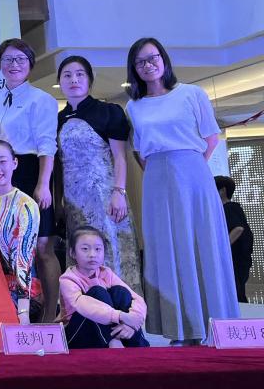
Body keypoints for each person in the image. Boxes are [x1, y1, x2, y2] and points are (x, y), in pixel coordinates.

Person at [125, 37, 239, 345]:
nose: (148, 65)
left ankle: (216, 325)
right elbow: (140, 151)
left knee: (201, 243)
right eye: (140, 62)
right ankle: (181, 329)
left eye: (153, 57)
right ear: (134, 69)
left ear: (164, 59)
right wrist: (161, 171)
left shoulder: (191, 93)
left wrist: (190, 167)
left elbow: (211, 139)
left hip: (192, 172)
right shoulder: (134, 106)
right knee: (166, 249)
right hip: (156, 179)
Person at [0, 38, 60, 323]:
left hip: (30, 170)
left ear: (30, 64)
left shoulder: (42, 99)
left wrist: (43, 184)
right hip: (0, 174)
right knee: (5, 246)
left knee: (41, 246)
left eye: (20, 59)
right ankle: (14, 314)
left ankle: (50, 316)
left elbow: (47, 145)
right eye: (8, 59)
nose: (14, 65)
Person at [57, 56, 140, 291]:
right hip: (74, 201)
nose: (74, 80)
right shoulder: (58, 119)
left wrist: (119, 192)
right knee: (80, 254)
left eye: (80, 74)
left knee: (111, 251)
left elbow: (120, 157)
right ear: (60, 82)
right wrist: (59, 201)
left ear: (90, 80)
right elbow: (59, 165)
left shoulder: (108, 111)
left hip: (105, 196)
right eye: (67, 75)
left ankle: (121, 307)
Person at [0, 140, 39, 323]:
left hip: (19, 292)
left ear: (14, 163)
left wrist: (23, 312)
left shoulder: (26, 205)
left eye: (2, 161)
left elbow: (24, 258)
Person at [60, 226, 149, 349]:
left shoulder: (106, 273)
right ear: (72, 253)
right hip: (76, 335)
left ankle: (138, 345)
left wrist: (131, 324)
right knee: (97, 292)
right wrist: (120, 316)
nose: (92, 254)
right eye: (85, 249)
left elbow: (137, 299)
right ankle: (113, 342)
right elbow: (84, 305)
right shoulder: (68, 279)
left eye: (98, 249)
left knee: (120, 292)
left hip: (106, 331)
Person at [216, 175, 253, 303]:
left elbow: (238, 228)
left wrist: (222, 248)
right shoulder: (232, 208)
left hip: (235, 260)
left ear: (222, 190)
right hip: (238, 260)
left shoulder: (229, 208)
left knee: (235, 294)